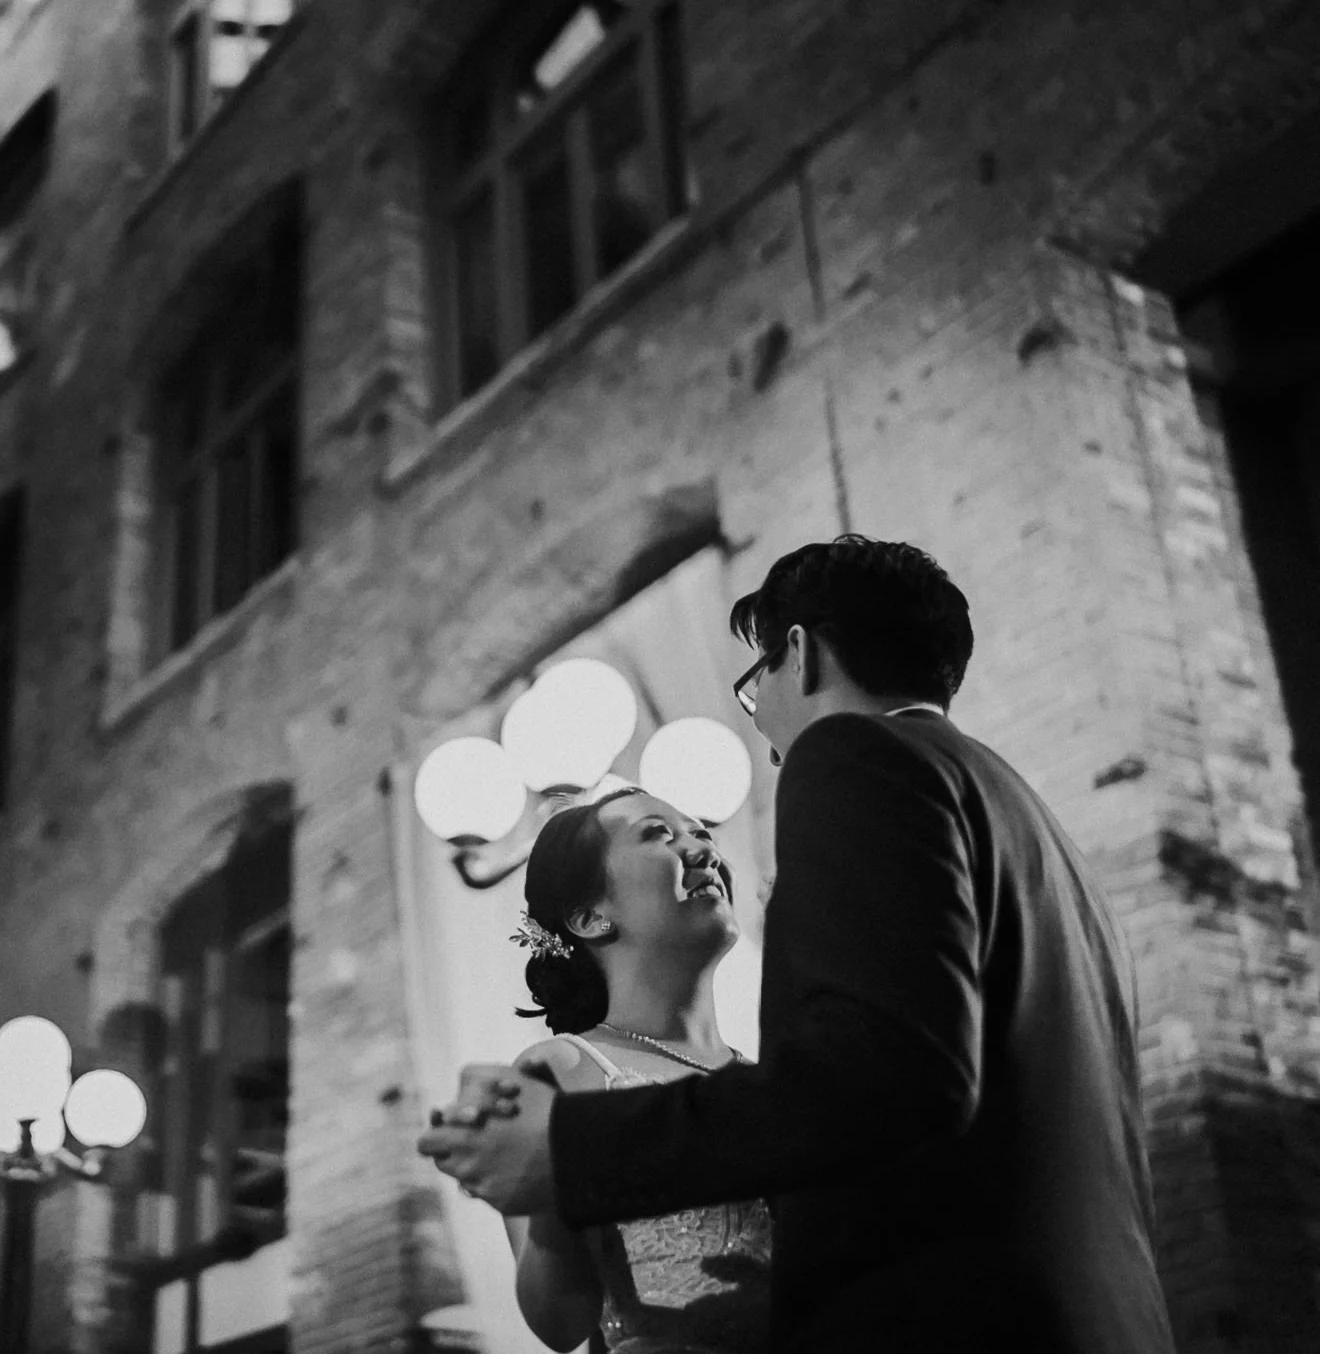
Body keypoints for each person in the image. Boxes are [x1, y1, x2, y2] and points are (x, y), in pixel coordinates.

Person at [418, 536, 1175, 1354]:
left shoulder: (856, 757)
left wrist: (569, 1153)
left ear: (801, 653)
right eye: (659, 835)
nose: (772, 743)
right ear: (590, 916)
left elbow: (883, 1077)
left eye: (756, 687)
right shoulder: (1045, 839)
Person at [499, 785, 771, 1352]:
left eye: (702, 833)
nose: (704, 850)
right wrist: (556, 1181)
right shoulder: (559, 1072)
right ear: (591, 917)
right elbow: (557, 1326)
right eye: (659, 835)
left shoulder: (768, 1078)